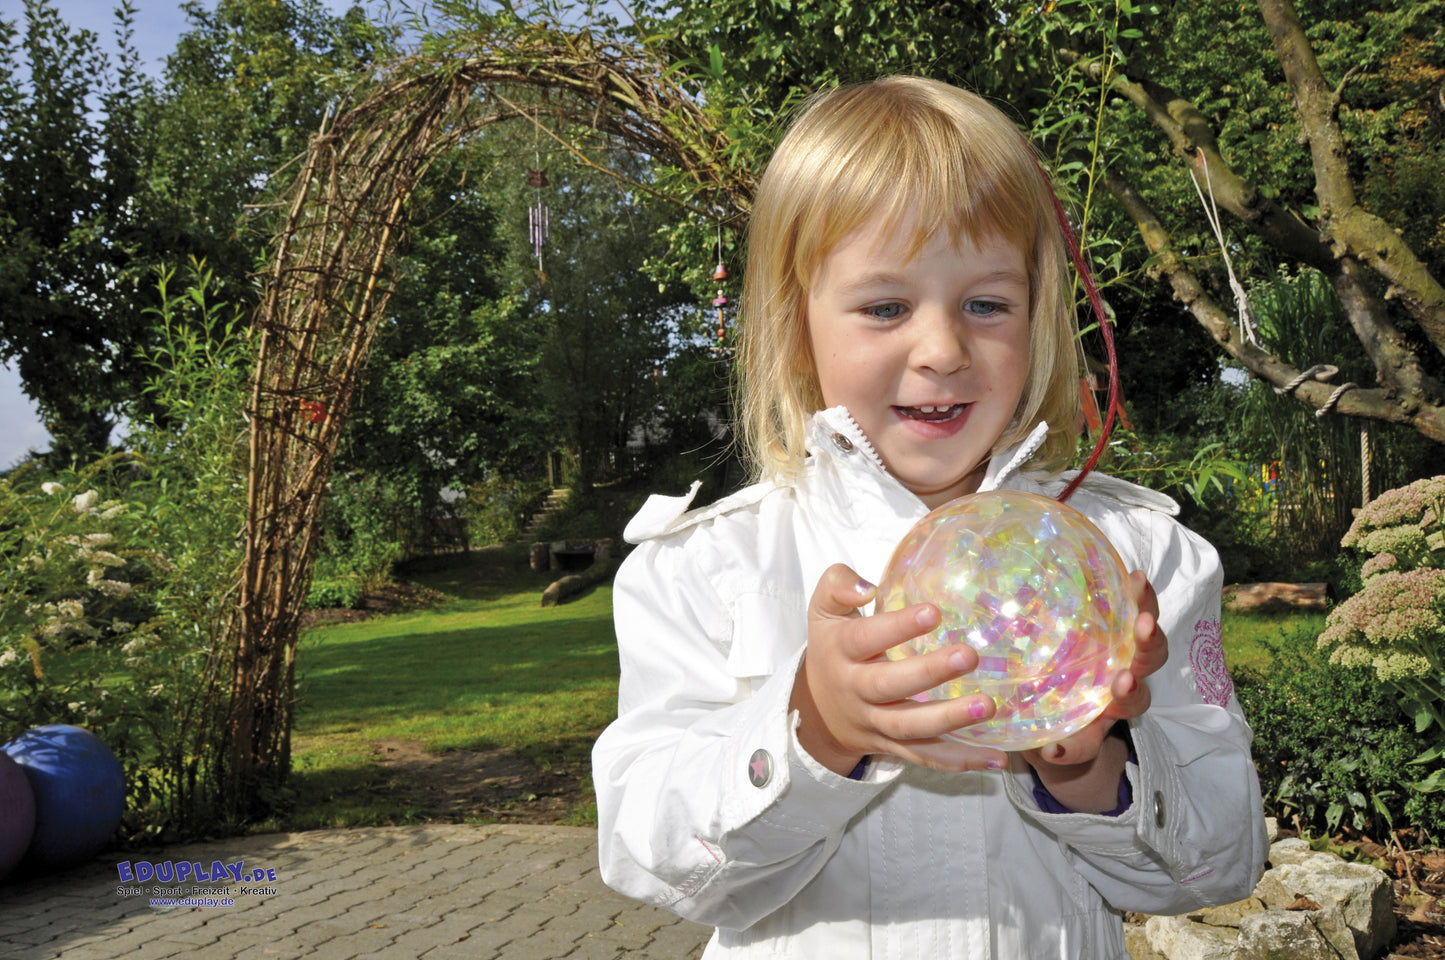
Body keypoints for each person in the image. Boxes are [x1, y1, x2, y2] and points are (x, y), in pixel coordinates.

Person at [592, 76, 1266, 959]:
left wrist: (1090, 759)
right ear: (796, 326)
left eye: (987, 304)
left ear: (1038, 319)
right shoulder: (705, 570)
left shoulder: (1137, 559)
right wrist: (816, 732)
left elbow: (1220, 866)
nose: (943, 349)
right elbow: (654, 864)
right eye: (884, 307)